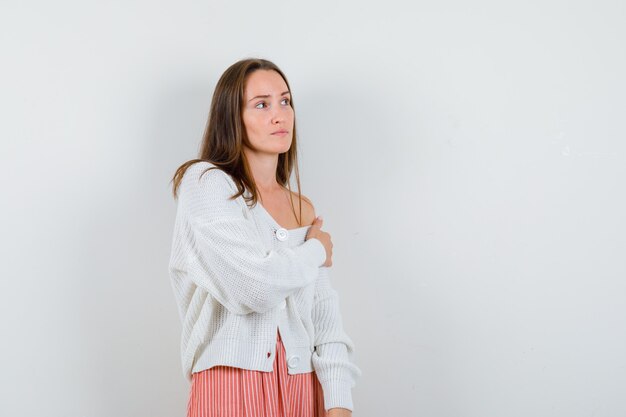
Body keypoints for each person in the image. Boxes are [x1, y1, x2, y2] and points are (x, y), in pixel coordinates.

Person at [168, 58, 361, 417]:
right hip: (230, 387)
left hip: (302, 389)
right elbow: (253, 288)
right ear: (232, 118)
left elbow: (324, 321)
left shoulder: (302, 208)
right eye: (262, 104)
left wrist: (338, 406)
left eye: (285, 101)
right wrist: (316, 250)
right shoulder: (206, 183)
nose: (280, 115)